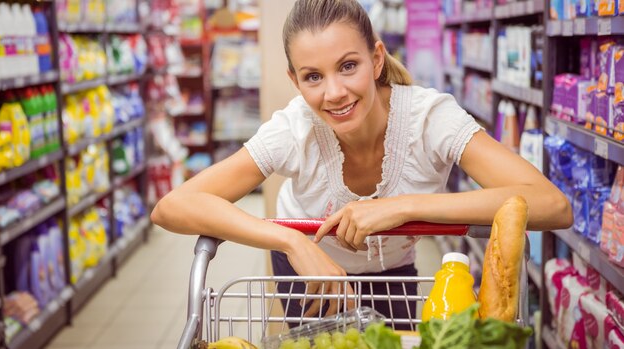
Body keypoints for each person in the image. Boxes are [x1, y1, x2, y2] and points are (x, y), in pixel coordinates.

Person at [151, 0, 572, 326]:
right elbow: (172, 206)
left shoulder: (429, 118)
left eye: (348, 66)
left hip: (394, 272)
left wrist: (400, 207)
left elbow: (552, 205)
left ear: (375, 60)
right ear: (295, 81)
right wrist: (292, 241)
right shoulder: (294, 129)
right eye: (313, 76)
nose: (333, 92)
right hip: (308, 272)